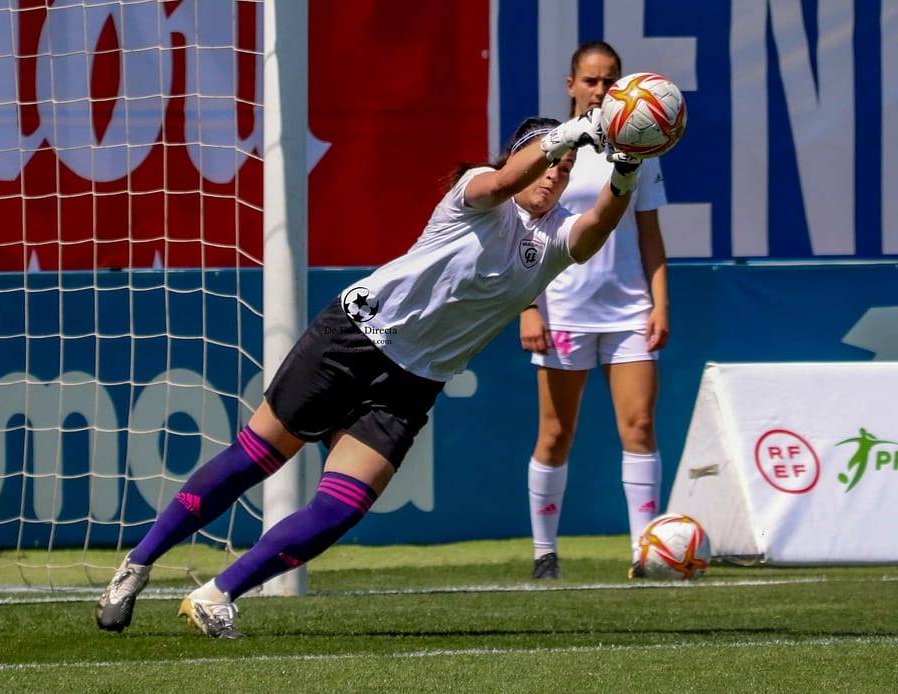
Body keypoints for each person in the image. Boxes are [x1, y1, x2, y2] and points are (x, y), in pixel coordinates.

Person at [96, 110, 641, 638]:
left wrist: (627, 165)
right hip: (355, 337)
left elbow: (598, 223)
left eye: (566, 167)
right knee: (256, 457)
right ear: (519, 156)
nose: (555, 172)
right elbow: (501, 184)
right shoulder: (477, 191)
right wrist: (570, 133)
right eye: (548, 160)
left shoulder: (552, 243)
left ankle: (215, 595)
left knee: (341, 508)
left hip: (412, 384)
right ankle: (138, 565)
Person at [520, 41, 670, 581]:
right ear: (570, 85)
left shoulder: (640, 150)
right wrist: (528, 307)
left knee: (641, 423)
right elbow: (526, 232)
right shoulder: (551, 149)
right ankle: (544, 553)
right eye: (591, 81)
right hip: (562, 309)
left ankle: (645, 552)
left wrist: (660, 301)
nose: (601, 91)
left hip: (628, 308)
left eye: (611, 81)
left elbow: (649, 233)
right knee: (556, 434)